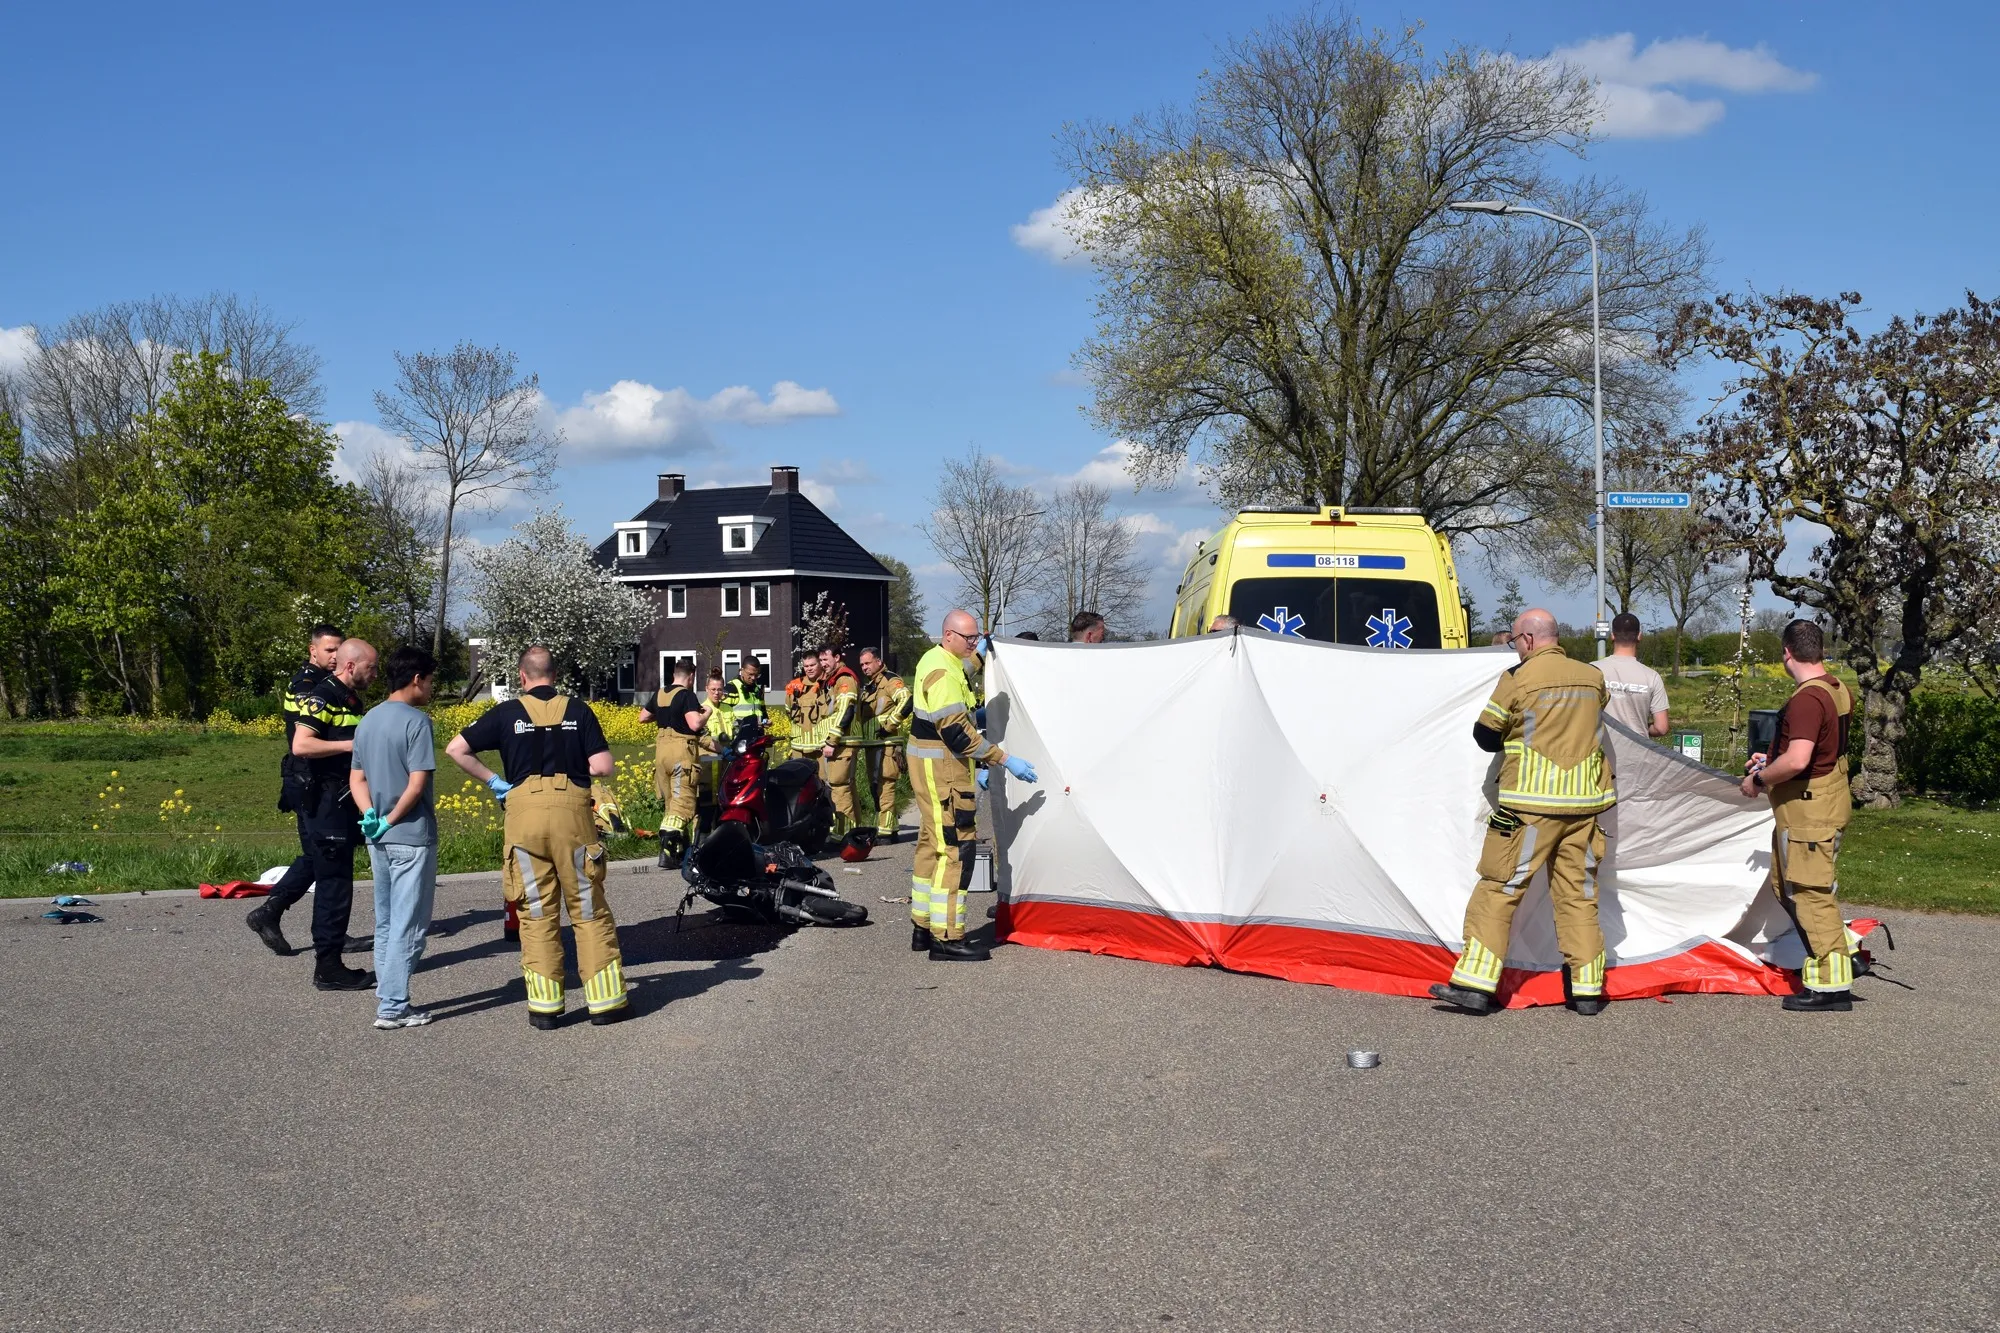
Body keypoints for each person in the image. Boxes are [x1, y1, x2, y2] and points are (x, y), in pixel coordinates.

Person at [1430, 609, 1616, 1016]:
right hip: (1584, 807)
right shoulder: (1592, 677)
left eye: (1515, 642)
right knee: (1578, 897)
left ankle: (1475, 986)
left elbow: (1485, 736)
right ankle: (1586, 992)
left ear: (1528, 640)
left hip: (1529, 809)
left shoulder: (1518, 679)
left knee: (1498, 890)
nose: (1515, 648)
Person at [446, 646, 631, 1028]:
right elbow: (602, 766)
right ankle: (606, 1004)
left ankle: (546, 1009)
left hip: (523, 816)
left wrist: (496, 781)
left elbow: (456, 749)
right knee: (587, 909)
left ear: (522, 677)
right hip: (572, 817)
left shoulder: (506, 712)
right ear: (555, 674)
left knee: (535, 913)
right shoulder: (578, 709)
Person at [908, 610, 1040, 961]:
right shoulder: (942, 674)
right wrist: (1002, 759)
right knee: (955, 851)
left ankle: (923, 927)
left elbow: (964, 672)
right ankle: (948, 938)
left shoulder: (940, 660)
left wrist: (983, 653)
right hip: (944, 772)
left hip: (933, 768)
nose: (972, 644)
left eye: (975, 639)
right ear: (948, 634)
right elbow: (956, 733)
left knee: (930, 844)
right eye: (969, 639)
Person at [1741, 620, 1857, 1012]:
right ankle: (1838, 959)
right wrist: (1770, 758)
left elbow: (1799, 759)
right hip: (1823, 803)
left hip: (1809, 812)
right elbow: (1819, 751)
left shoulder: (1807, 699)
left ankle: (1830, 986)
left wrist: (1759, 778)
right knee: (1788, 886)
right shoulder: (1837, 689)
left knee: (1809, 895)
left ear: (1786, 653)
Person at [247, 623, 368, 958]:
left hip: (325, 781)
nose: (335, 656)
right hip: (311, 781)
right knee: (323, 854)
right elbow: (308, 740)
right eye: (329, 650)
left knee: (321, 856)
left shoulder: (335, 686)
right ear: (313, 650)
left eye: (339, 649)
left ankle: (302, 923)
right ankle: (275, 915)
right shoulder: (309, 687)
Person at [349, 645, 440, 1030]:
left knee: (386, 919)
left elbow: (357, 779)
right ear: (416, 679)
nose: (432, 688)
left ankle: (386, 991)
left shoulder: (367, 719)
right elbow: (416, 785)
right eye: (431, 681)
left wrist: (370, 815)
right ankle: (393, 1006)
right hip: (410, 835)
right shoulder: (417, 722)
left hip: (378, 839)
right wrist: (390, 819)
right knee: (410, 923)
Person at [287, 638, 380, 991]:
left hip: (343, 802)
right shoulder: (323, 696)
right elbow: (302, 744)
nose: (375, 675)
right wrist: (351, 745)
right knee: (333, 885)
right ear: (351, 666)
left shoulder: (351, 698)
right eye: (371, 668)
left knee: (340, 881)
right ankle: (328, 966)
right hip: (325, 802)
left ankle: (332, 959)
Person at [638, 657, 709, 867]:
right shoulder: (687, 695)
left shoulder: (660, 693)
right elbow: (695, 724)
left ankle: (680, 849)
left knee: (671, 804)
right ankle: (667, 852)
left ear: (674, 674)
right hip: (681, 754)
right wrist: (707, 713)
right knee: (682, 805)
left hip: (661, 754)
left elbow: (643, 717)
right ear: (691, 677)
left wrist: (664, 714)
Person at [857, 646, 911, 841]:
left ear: (878, 662)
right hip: (872, 744)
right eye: (862, 664)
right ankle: (890, 826)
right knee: (874, 786)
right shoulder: (870, 685)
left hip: (887, 743)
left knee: (885, 785)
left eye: (868, 663)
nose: (864, 667)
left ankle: (886, 833)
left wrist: (889, 725)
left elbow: (907, 702)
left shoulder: (890, 680)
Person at [1595, 612, 1670, 738]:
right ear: (1639, 636)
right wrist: (1641, 728)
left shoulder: (1592, 670)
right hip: (1639, 753)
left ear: (1612, 636)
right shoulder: (1652, 677)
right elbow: (1661, 728)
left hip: (1601, 753)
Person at [816, 645, 861, 837]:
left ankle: (843, 835)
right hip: (841, 742)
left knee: (839, 787)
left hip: (843, 742)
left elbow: (845, 711)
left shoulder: (844, 679)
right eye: (821, 660)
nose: (823, 664)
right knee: (846, 787)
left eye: (826, 660)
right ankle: (855, 831)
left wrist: (832, 741)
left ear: (836, 657)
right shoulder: (833, 679)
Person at [789, 655, 823, 764]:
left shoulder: (827, 684)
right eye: (806, 666)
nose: (809, 669)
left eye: (813, 665)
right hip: (799, 744)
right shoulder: (794, 685)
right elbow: (788, 710)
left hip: (820, 744)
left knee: (822, 778)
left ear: (820, 664)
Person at [722, 658, 767, 728]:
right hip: (739, 736)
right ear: (742, 671)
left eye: (756, 675)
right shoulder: (731, 689)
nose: (753, 678)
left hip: (757, 735)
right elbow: (723, 716)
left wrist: (766, 721)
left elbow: (763, 712)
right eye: (750, 674)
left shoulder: (758, 690)